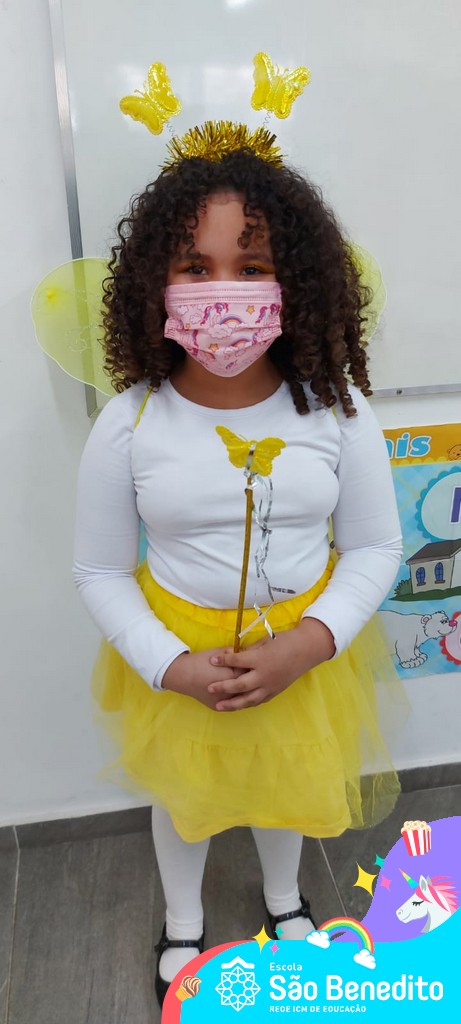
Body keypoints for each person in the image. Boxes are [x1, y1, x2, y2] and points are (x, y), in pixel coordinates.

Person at [72, 129, 403, 1005]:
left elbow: (375, 546)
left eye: (251, 266)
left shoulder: (336, 410)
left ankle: (285, 900)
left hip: (300, 649)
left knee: (285, 774)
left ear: (298, 281)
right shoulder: (129, 422)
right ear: (155, 283)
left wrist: (310, 643)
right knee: (182, 791)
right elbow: (99, 570)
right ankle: (183, 921)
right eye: (196, 266)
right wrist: (167, 664)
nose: (224, 292)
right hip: (175, 649)